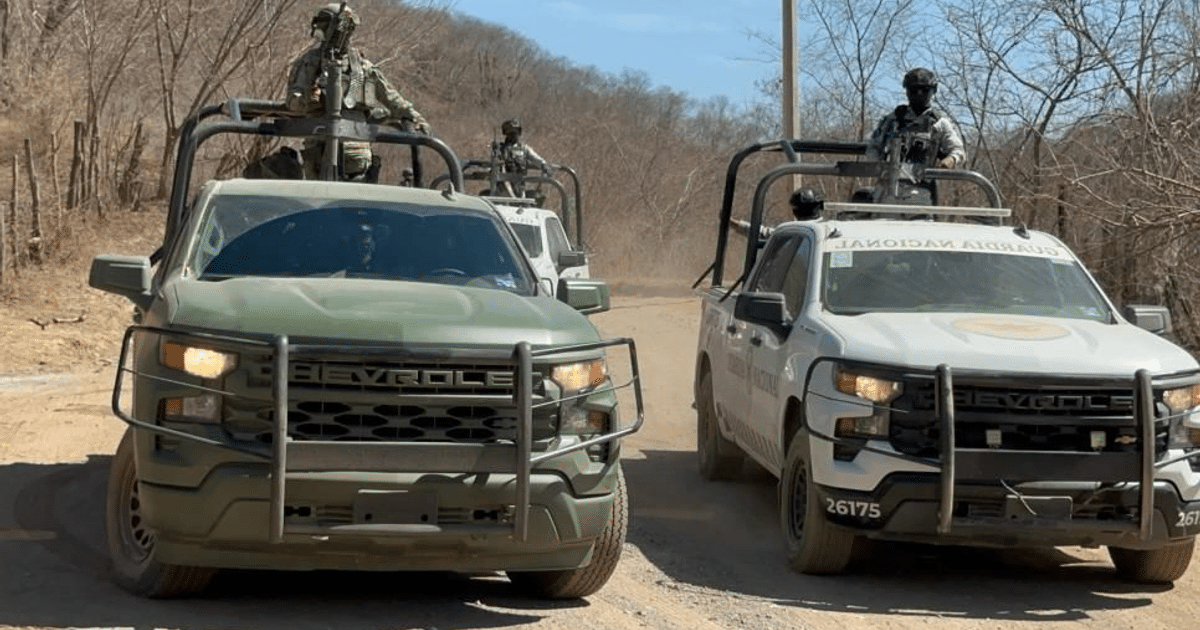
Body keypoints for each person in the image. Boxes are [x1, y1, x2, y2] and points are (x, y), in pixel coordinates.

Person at [285, 3, 430, 181]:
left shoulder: (361, 66)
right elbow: (294, 102)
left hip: (358, 152)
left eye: (324, 26)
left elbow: (392, 98)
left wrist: (414, 117)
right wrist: (309, 97)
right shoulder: (311, 62)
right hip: (320, 150)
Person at [865, 67, 965, 205]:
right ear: (907, 90)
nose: (919, 94)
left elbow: (958, 150)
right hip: (887, 190)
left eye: (924, 90)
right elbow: (873, 147)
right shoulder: (893, 120)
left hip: (922, 192)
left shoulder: (940, 123)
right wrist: (880, 167)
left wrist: (950, 160)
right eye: (914, 89)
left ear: (934, 90)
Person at [490, 119, 551, 197]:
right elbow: (494, 163)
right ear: (505, 133)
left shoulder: (524, 148)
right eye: (510, 132)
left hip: (519, 188)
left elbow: (536, 158)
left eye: (515, 132)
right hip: (502, 189)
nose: (513, 135)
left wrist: (544, 165)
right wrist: (496, 151)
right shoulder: (500, 148)